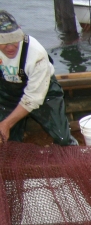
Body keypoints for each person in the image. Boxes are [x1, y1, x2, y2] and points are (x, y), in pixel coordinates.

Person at [0, 10, 77, 146]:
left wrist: (6, 123)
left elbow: (33, 98)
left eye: (14, 40)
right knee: (7, 142)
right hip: (7, 94)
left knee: (63, 140)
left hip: (42, 91)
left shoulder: (35, 53)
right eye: (4, 42)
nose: (11, 47)